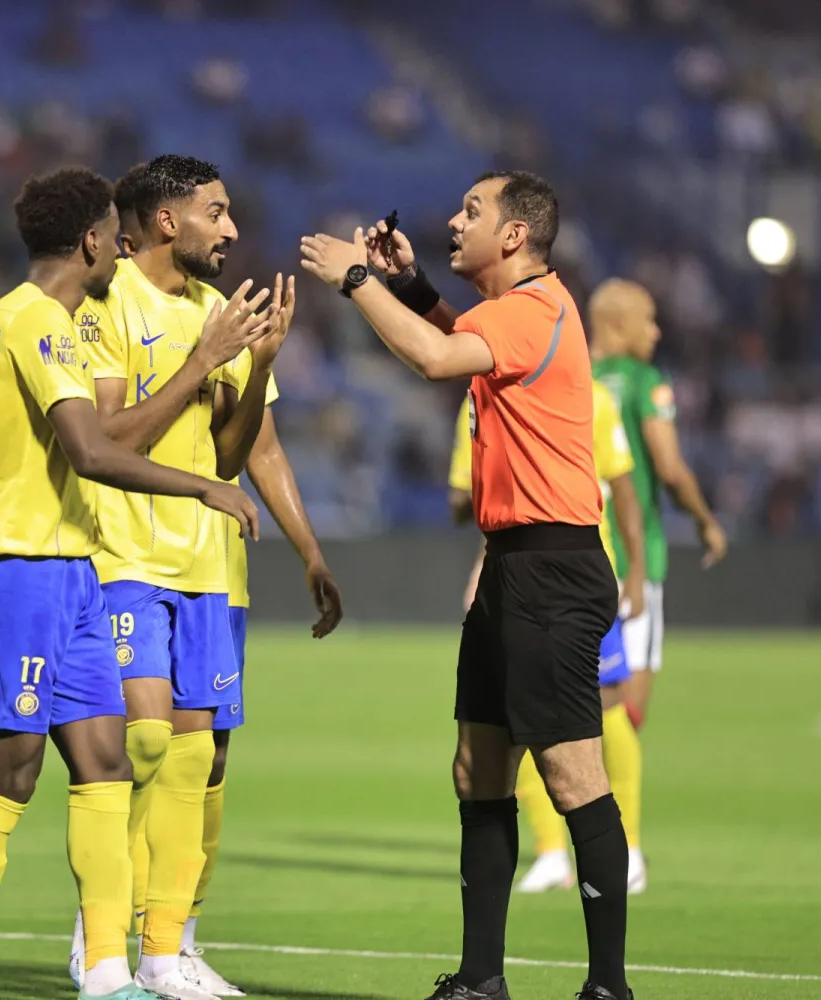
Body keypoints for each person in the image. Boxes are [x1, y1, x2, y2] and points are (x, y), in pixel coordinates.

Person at [0, 167, 262, 1000]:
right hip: (9, 569)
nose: (119, 246)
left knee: (105, 762)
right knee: (11, 774)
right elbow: (94, 452)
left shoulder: (50, 320)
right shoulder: (32, 321)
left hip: (68, 572)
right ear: (91, 241)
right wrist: (208, 484)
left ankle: (107, 972)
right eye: (112, 232)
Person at [300, 171, 633, 1000]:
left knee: (571, 776)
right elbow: (463, 340)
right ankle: (483, 979)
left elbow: (435, 357)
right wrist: (410, 284)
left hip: (552, 567)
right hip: (516, 563)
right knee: (478, 769)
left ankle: (608, 987)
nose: (455, 219)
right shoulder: (526, 313)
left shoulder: (531, 309)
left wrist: (358, 279)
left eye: (473, 211)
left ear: (514, 235)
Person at [68, 164, 343, 998]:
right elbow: (110, 438)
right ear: (163, 220)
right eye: (215, 214)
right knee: (144, 744)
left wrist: (256, 367)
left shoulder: (220, 316)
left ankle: (173, 943)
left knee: (204, 763)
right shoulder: (108, 303)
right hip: (122, 556)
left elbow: (241, 451)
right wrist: (204, 361)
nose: (230, 231)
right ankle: (102, 934)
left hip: (210, 565)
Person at [450, 377, 649, 895]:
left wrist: (637, 570)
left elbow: (622, 485)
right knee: (519, 725)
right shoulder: (480, 392)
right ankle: (552, 852)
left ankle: (628, 847)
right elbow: (481, 499)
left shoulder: (592, 396)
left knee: (605, 708)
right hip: (516, 571)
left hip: (578, 574)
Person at [588, 279, 728, 731]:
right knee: (624, 717)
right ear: (618, 323)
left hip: (574, 554)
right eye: (648, 321)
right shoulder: (646, 383)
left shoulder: (569, 381)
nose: (656, 333)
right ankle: (613, 802)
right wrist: (705, 520)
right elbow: (670, 468)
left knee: (575, 709)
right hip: (632, 559)